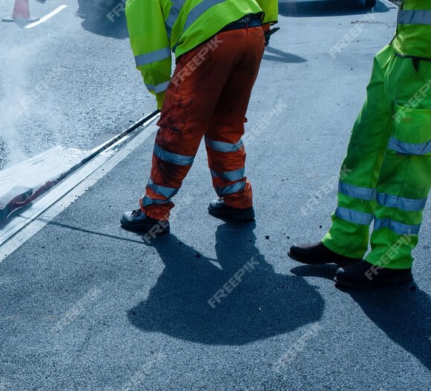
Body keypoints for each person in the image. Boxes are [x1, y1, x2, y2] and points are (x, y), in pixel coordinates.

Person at [288, 13, 429, 288]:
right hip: (400, 52)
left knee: (406, 164)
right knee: (364, 149)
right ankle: (346, 240)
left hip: (424, 64)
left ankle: (391, 260)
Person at [120, 0, 277, 236]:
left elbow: (150, 52)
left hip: (210, 42)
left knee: (178, 132)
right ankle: (237, 200)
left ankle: (154, 212)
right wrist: (264, 26)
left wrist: (166, 100)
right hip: (251, 30)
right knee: (226, 124)